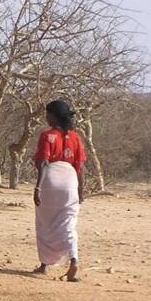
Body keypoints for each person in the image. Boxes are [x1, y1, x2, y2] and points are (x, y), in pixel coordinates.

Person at [32, 99, 86, 282]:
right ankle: (73, 259)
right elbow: (80, 166)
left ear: (54, 116)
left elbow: (44, 163)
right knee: (68, 223)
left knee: (45, 223)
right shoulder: (76, 138)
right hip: (70, 181)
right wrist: (81, 189)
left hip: (50, 181)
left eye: (48, 114)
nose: (46, 117)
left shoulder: (47, 136)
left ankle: (44, 265)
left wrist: (38, 186)